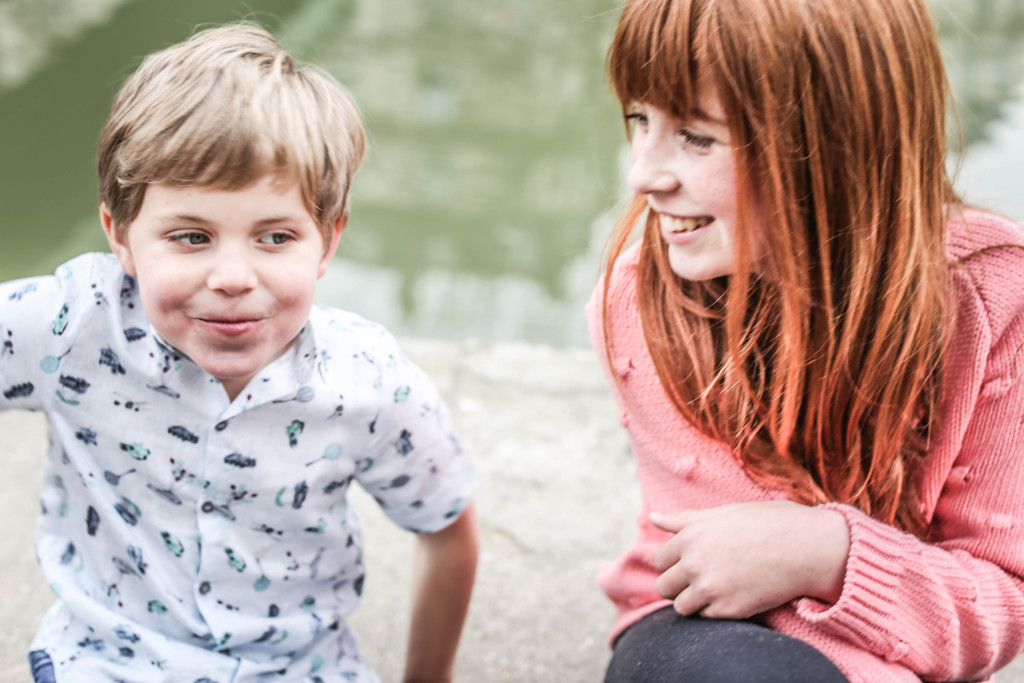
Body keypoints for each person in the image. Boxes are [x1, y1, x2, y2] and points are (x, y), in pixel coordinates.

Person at [2, 23, 477, 683]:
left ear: (328, 239)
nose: (232, 276)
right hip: (109, 661)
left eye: (275, 236)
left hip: (300, 669)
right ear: (121, 233)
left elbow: (446, 520)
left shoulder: (366, 379)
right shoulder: (69, 324)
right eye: (192, 236)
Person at [589, 0, 1024, 681]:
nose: (643, 174)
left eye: (696, 138)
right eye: (639, 120)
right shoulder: (640, 298)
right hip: (693, 629)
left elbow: (1003, 597)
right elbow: (731, 575)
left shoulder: (996, 296)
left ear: (833, 139)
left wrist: (832, 552)